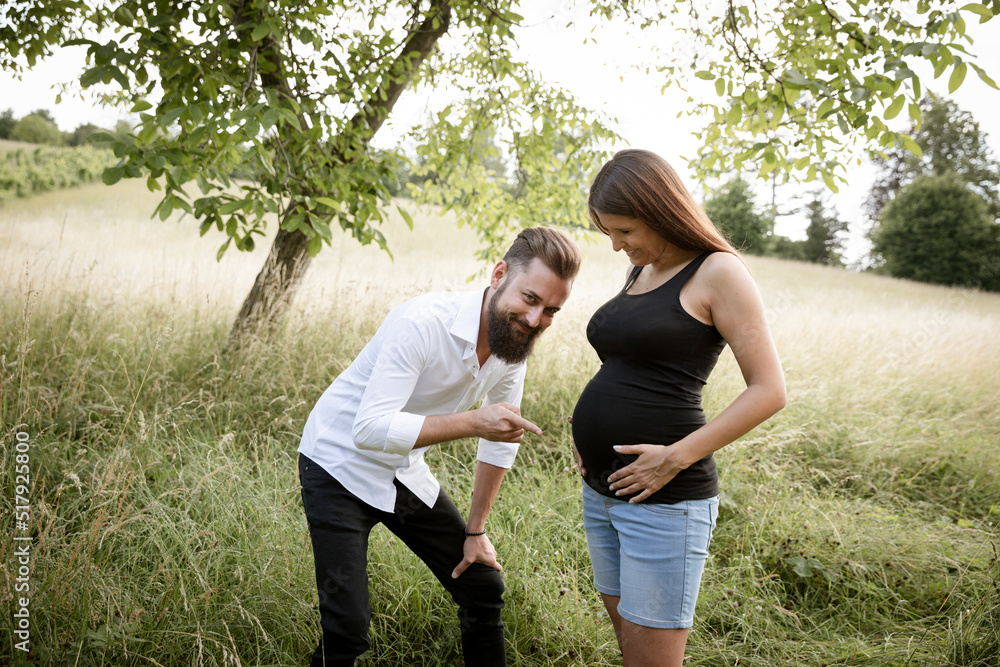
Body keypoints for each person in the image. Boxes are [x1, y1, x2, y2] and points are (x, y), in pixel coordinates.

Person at [297, 226, 581, 667]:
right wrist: (474, 422)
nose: (533, 320)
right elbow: (368, 429)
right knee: (347, 629)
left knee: (482, 586)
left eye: (550, 311)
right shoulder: (422, 322)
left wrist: (476, 531)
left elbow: (500, 442)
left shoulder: (511, 345)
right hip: (337, 465)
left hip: (400, 472)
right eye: (529, 298)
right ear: (499, 275)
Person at [570, 149, 786, 666]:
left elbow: (769, 390)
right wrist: (587, 432)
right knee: (632, 652)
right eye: (608, 233)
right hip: (602, 492)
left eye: (625, 231)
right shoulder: (641, 269)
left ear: (660, 209)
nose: (617, 245)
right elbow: (632, 365)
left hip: (664, 500)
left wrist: (674, 457)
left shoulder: (718, 272)